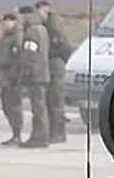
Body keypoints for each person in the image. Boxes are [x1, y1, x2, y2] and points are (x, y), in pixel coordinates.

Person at [35, 0, 70, 143]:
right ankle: (53, 132)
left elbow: (65, 46)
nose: (39, 14)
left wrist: (59, 60)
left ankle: (59, 134)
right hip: (49, 67)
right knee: (50, 101)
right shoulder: (45, 25)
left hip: (56, 66)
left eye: (41, 11)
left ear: (46, 10)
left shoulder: (55, 25)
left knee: (56, 101)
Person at [17, 5, 50, 148]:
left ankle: (39, 137)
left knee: (38, 108)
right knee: (40, 107)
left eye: (21, 17)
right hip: (43, 73)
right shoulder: (42, 29)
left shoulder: (31, 32)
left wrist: (26, 74)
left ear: (26, 16)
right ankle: (41, 135)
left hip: (35, 76)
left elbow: (30, 56)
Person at [0, 11, 24, 146]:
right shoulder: (5, 37)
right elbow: (1, 58)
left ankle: (17, 135)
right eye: (4, 22)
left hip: (13, 77)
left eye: (9, 21)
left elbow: (20, 59)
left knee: (14, 106)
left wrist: (16, 75)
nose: (6, 24)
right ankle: (14, 133)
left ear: (15, 22)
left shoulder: (18, 37)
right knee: (6, 106)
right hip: (4, 76)